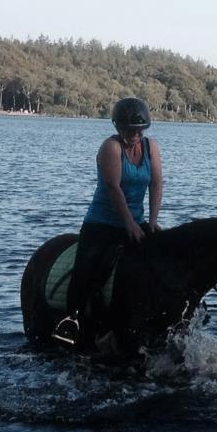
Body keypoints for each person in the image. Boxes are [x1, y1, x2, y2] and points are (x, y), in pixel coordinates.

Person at [54, 97, 163, 345]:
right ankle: (72, 321)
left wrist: (153, 221)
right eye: (129, 130)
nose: (135, 134)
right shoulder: (110, 148)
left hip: (137, 220)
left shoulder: (151, 147)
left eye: (139, 130)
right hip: (102, 223)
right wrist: (130, 225)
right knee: (87, 271)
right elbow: (114, 188)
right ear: (118, 127)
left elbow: (156, 183)